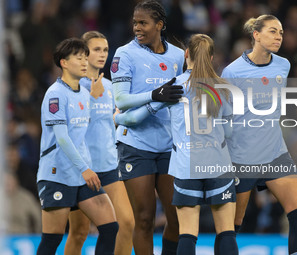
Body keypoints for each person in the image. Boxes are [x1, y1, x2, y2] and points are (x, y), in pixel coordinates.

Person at [115, 33, 238, 255]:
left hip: (186, 166)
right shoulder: (224, 89)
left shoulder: (174, 87)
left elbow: (133, 119)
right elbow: (229, 132)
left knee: (187, 233)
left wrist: (117, 118)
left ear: (186, 54)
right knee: (226, 232)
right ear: (211, 58)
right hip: (218, 165)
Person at [221, 15, 297, 255]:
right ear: (256, 35)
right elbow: (224, 118)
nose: (279, 36)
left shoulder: (283, 65)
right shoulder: (232, 72)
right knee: (231, 227)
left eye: (281, 32)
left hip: (275, 154)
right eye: (273, 31)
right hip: (242, 158)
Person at [110, 1, 185, 254]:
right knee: (144, 219)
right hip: (135, 144)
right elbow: (120, 100)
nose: (137, 28)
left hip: (168, 145)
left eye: (143, 23)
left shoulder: (177, 55)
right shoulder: (125, 54)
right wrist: (155, 94)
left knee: (176, 219)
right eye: (134, 23)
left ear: (159, 25)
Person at [36, 38, 118, 255]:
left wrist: (96, 99)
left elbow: (83, 123)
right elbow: (62, 138)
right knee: (52, 240)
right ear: (64, 62)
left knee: (110, 227)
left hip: (80, 176)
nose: (84, 62)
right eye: (78, 58)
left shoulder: (83, 93)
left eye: (85, 57)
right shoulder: (55, 94)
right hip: (57, 174)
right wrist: (85, 168)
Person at [64, 31, 134, 255]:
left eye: (105, 50)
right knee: (79, 232)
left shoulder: (111, 87)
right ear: (84, 53)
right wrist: (90, 97)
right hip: (83, 170)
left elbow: (114, 124)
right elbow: (68, 130)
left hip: (110, 167)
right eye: (96, 50)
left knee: (127, 223)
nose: (103, 54)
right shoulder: (73, 87)